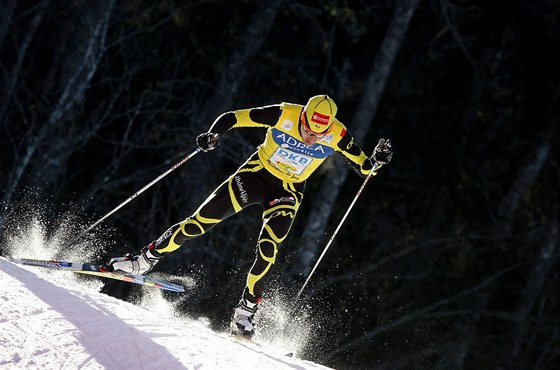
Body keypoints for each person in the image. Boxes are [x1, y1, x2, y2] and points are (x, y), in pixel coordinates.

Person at [106, 94, 392, 338]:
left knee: (269, 249)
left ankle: (244, 313)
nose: (311, 137)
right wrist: (214, 135)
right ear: (303, 116)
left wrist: (377, 160)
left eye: (318, 134)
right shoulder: (284, 113)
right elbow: (233, 117)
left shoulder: (338, 134)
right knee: (199, 223)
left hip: (288, 191)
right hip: (254, 177)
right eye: (307, 129)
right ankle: (142, 261)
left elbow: (365, 167)